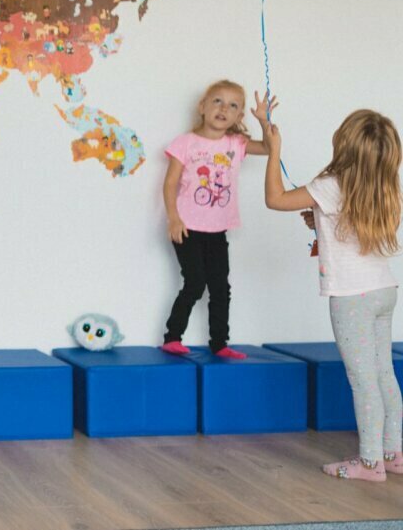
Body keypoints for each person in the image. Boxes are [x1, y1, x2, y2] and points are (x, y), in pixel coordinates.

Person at [265, 109, 402, 482]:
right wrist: (321, 219)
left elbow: (275, 199)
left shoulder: (332, 183)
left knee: (364, 380)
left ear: (345, 143)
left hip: (352, 298)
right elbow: (351, 225)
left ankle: (371, 463)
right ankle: (394, 452)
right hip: (383, 290)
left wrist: (274, 148)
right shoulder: (384, 186)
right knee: (384, 373)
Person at [159, 81, 276, 360]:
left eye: (233, 105)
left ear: (238, 117)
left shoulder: (236, 144)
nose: (224, 109)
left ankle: (220, 343)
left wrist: (264, 120)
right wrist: (173, 219)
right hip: (187, 227)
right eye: (217, 102)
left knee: (221, 287)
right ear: (202, 107)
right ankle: (172, 337)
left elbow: (270, 148)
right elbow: (170, 183)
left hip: (218, 229)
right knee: (195, 283)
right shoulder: (185, 142)